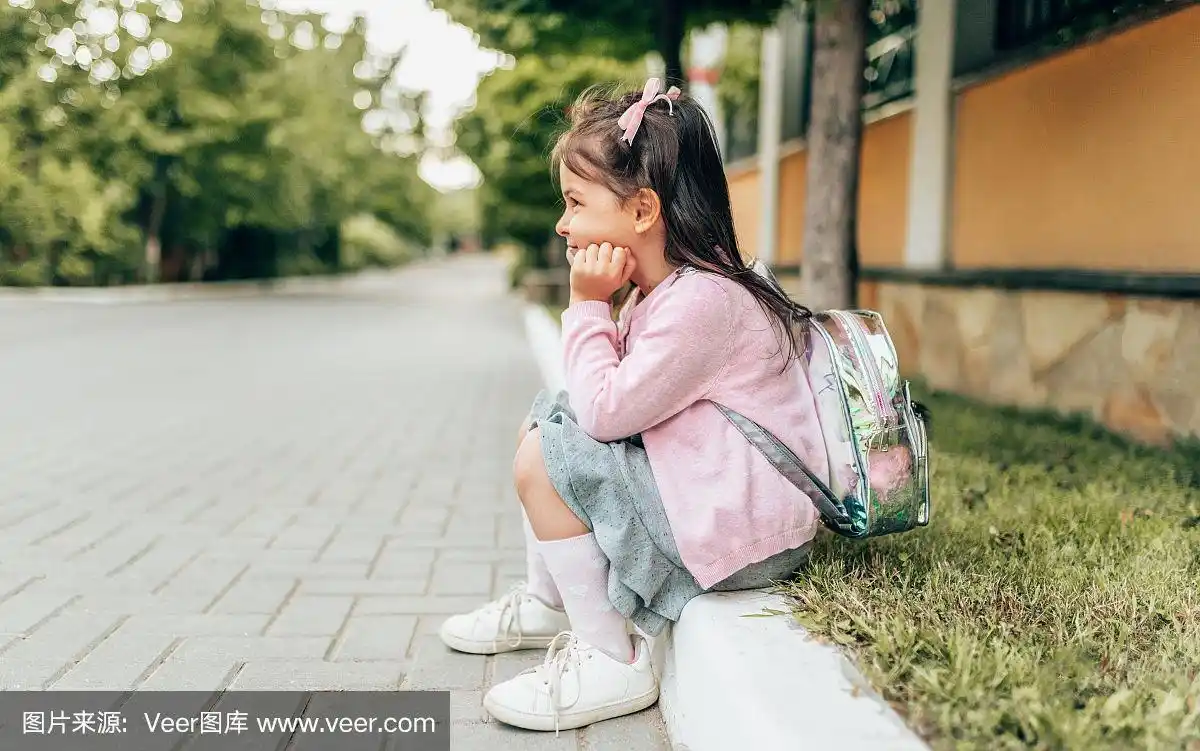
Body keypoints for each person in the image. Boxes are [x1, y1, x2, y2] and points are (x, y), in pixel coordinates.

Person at [438, 77, 831, 732]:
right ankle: (549, 601)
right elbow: (597, 404)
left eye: (575, 202)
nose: (563, 223)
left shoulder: (704, 301)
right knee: (546, 417)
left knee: (545, 455)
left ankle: (611, 657)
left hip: (742, 537)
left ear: (643, 210)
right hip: (716, 501)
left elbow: (605, 414)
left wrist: (587, 303)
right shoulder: (674, 290)